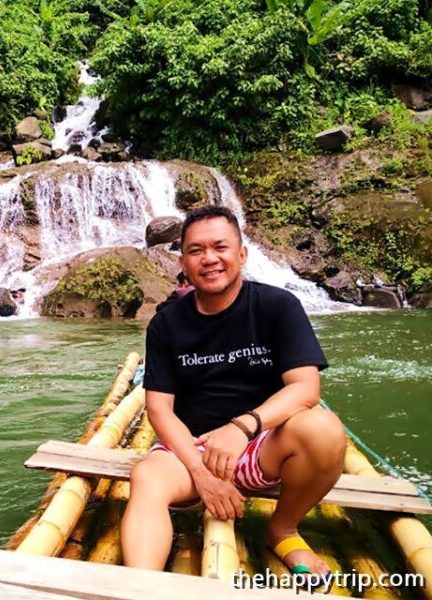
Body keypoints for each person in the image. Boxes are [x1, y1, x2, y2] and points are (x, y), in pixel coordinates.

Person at [121, 205, 346, 582]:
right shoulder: (166, 324)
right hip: (189, 451)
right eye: (196, 250)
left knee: (323, 429)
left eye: (220, 247)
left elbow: (306, 388)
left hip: (262, 445)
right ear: (182, 262)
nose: (209, 258)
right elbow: (159, 410)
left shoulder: (278, 306)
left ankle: (284, 530)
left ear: (241, 255)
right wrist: (201, 472)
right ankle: (141, 588)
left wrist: (241, 428)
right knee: (146, 477)